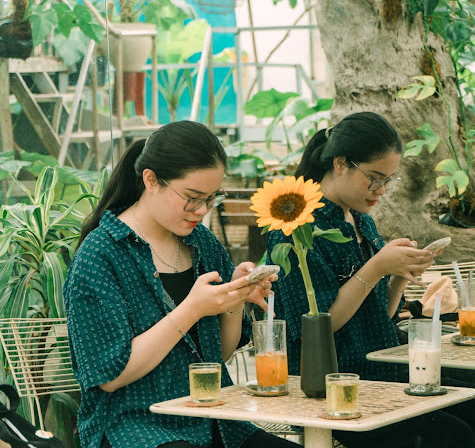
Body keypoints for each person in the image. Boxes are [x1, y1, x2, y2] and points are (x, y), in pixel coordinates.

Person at [65, 121, 300, 448]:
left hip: (216, 421)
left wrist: (234, 298)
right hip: (136, 427)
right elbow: (109, 376)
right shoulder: (100, 255)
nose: (202, 211)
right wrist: (191, 310)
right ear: (151, 180)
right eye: (192, 197)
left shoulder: (201, 242)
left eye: (211, 198)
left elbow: (221, 354)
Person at [267, 111, 475, 447]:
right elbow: (319, 326)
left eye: (388, 180)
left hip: (383, 366)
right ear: (341, 163)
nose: (381, 190)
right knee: (453, 434)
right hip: (340, 383)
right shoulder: (296, 226)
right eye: (374, 178)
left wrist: (398, 277)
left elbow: (377, 316)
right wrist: (376, 267)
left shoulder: (360, 220)